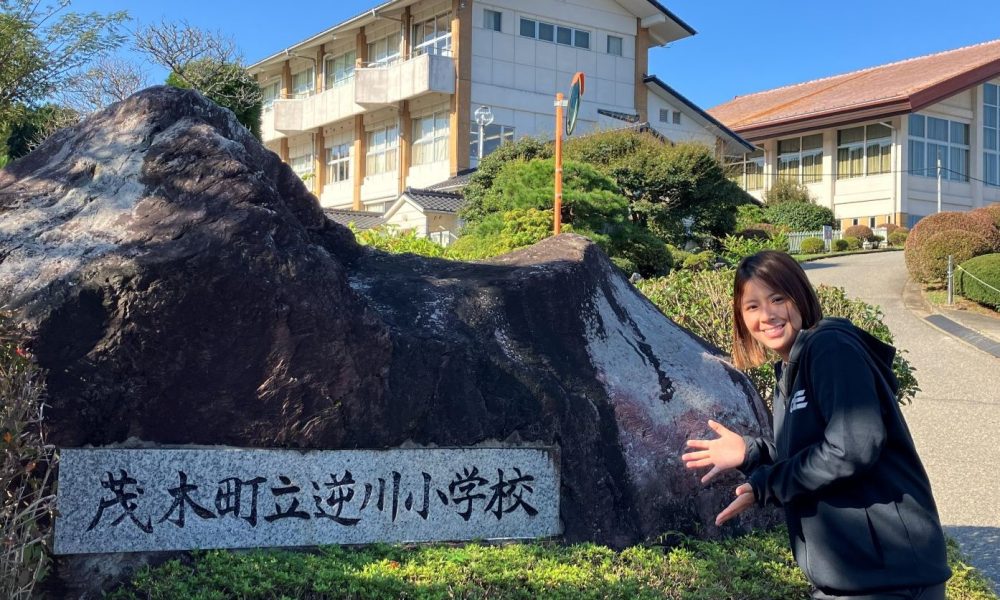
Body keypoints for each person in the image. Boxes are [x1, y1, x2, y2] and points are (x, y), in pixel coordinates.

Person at [682, 250, 950, 600]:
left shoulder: (830, 347)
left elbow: (851, 447)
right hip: (851, 577)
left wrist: (769, 484)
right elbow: (812, 453)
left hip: (887, 578)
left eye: (778, 298)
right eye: (752, 306)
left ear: (800, 296)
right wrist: (751, 453)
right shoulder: (789, 370)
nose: (767, 315)